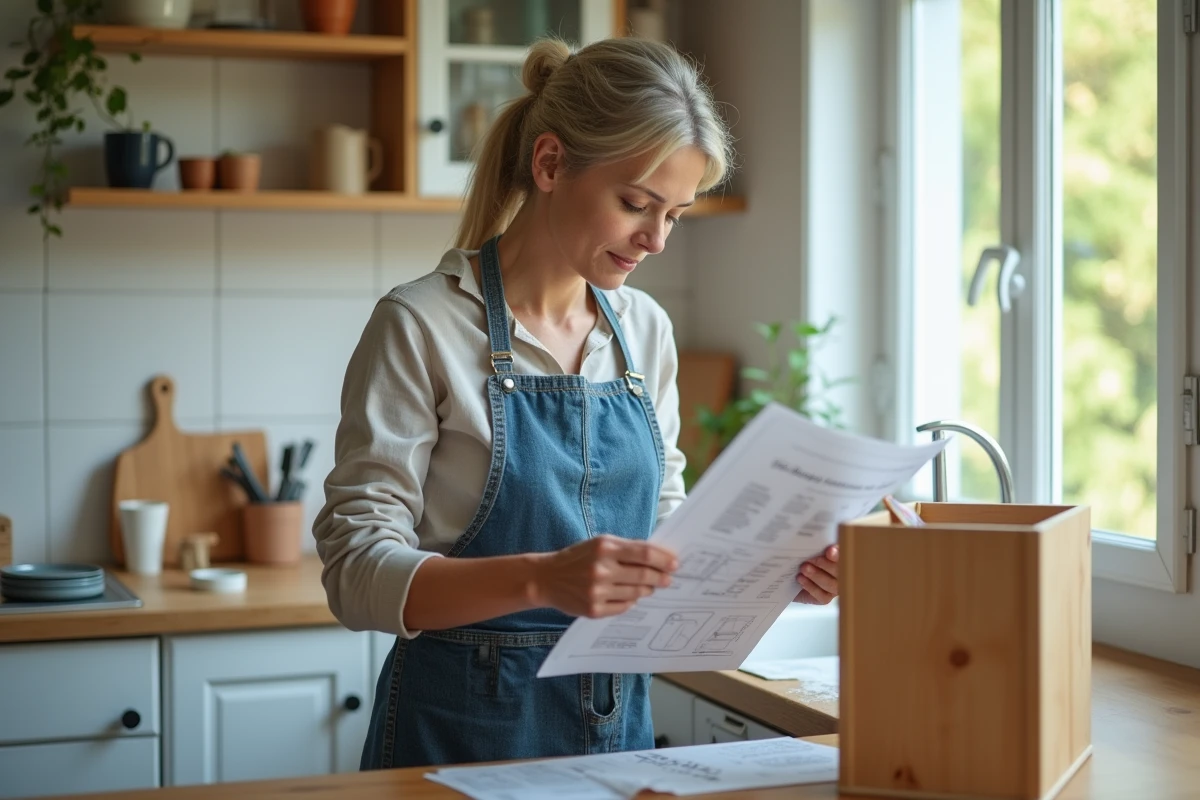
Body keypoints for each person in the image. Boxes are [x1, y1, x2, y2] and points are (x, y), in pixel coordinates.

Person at [312, 35, 840, 771]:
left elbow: (666, 543)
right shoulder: (421, 325)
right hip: (453, 749)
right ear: (552, 163)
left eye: (676, 214)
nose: (656, 240)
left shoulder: (644, 332)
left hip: (615, 747)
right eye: (636, 204)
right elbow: (354, 574)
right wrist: (541, 578)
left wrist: (784, 575)